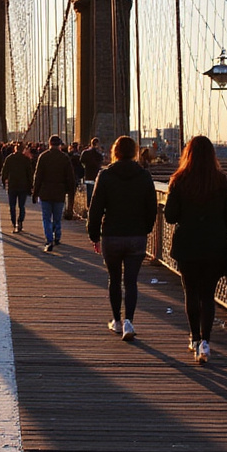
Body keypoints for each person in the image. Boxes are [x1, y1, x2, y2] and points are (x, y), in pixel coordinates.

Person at [163, 135, 227, 364]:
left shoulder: (179, 180)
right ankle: (206, 342)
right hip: (214, 245)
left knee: (191, 293)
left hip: (187, 244)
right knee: (208, 295)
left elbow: (170, 216)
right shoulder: (222, 181)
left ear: (188, 154)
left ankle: (194, 338)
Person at [86, 135, 156, 342]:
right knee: (131, 281)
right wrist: (145, 229)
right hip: (136, 236)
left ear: (114, 152)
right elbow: (151, 208)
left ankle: (116, 321)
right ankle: (129, 321)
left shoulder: (106, 175)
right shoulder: (144, 176)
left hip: (112, 236)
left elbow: (96, 208)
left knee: (114, 279)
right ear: (134, 152)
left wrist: (93, 235)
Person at [32, 134, 75, 252]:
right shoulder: (65, 158)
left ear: (49, 144)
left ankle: (49, 240)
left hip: (45, 192)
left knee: (46, 218)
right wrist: (71, 194)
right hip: (59, 193)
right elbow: (70, 178)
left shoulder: (43, 157)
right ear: (59, 145)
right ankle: (57, 236)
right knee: (57, 217)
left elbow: (38, 177)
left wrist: (35, 193)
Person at [0, 141, 34, 232]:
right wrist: (31, 185)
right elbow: (29, 174)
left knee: (12, 206)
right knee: (22, 206)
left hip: (12, 185)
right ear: (23, 150)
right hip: (23, 185)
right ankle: (20, 221)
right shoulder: (26, 160)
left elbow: (4, 171)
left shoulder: (9, 158)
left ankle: (14, 222)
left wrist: (4, 181)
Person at [80, 137, 104, 211]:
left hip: (88, 175)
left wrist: (85, 167)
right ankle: (94, 207)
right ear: (97, 144)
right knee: (96, 192)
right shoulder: (98, 154)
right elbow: (101, 162)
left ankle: (88, 207)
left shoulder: (85, 152)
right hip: (96, 175)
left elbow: (81, 161)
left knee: (89, 192)